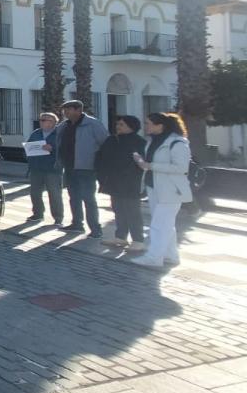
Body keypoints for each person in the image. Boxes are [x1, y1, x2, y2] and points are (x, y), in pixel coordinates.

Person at [130, 112, 191, 268]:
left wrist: (150, 166)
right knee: (166, 224)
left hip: (171, 190)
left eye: (149, 123)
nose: (146, 126)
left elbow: (181, 167)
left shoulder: (177, 142)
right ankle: (171, 256)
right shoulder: (153, 141)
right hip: (154, 187)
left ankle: (154, 257)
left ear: (160, 125)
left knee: (159, 224)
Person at [55, 99, 109, 237]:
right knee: (73, 197)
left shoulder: (92, 124)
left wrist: (99, 162)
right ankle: (77, 224)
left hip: (86, 168)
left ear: (78, 110)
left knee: (89, 199)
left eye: (68, 109)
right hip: (69, 167)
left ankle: (96, 229)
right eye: (64, 110)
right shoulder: (64, 125)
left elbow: (105, 142)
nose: (65, 112)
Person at [96, 115, 147, 250]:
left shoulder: (139, 142)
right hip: (113, 181)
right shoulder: (112, 139)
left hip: (130, 182)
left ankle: (138, 240)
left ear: (131, 126)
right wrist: (101, 175)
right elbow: (101, 157)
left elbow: (140, 162)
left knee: (132, 211)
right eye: (117, 124)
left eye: (122, 124)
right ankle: (120, 237)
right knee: (118, 210)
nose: (118, 127)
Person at [25, 112, 65, 226]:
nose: (41, 122)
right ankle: (38, 214)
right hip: (36, 168)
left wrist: (53, 149)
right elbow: (29, 147)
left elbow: (65, 150)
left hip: (53, 169)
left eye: (44, 120)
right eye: (41, 120)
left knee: (54, 194)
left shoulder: (59, 134)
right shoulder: (36, 133)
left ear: (53, 122)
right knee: (35, 193)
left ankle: (58, 218)